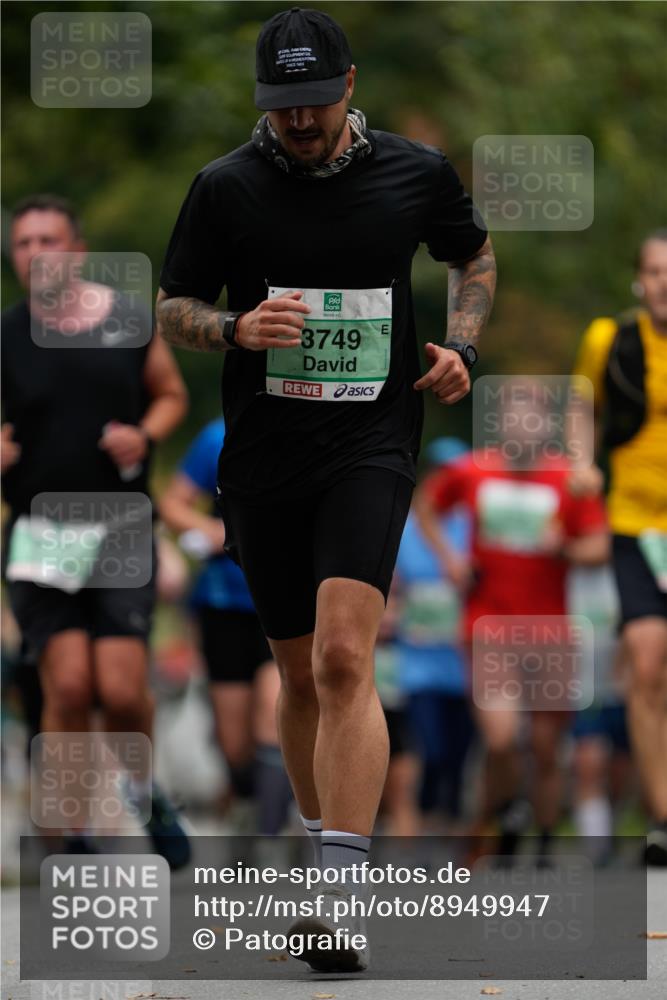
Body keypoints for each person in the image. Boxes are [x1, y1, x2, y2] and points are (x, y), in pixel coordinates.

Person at [156, 7, 495, 972]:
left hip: (372, 441)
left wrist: (463, 347)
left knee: (348, 656)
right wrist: (231, 331)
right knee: (299, 674)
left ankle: (339, 898)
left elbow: (470, 254)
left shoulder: (414, 172)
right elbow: (174, 302)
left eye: (311, 102)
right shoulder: (225, 187)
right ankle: (318, 849)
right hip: (264, 459)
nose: (297, 121)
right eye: (280, 105)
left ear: (348, 86)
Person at [1, 194, 191, 868]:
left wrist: (144, 433)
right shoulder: (7, 334)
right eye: (24, 244)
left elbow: (170, 395)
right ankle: (74, 831)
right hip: (41, 533)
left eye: (49, 240)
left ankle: (142, 790)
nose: (36, 254)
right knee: (69, 687)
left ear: (76, 250)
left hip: (117, 529)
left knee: (117, 689)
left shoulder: (128, 322)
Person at [415, 381, 609, 864]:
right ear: (500, 422)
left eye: (533, 416)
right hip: (488, 626)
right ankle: (497, 818)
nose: (523, 424)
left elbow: (599, 545)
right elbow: (426, 507)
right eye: (514, 415)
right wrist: (451, 562)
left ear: (547, 424)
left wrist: (562, 546)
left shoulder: (569, 479)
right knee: (501, 741)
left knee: (546, 749)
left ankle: (539, 838)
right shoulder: (473, 469)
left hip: (550, 630)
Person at [572, 230, 667, 865]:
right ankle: (662, 817)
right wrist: (583, 461)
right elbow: (581, 404)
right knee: (646, 660)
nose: (665, 282)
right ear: (640, 280)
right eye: (656, 272)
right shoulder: (611, 338)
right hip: (637, 523)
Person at [159, 418, 293, 835]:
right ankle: (249, 813)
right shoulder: (218, 434)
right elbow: (173, 504)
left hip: (287, 599)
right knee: (235, 743)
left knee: (271, 725)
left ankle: (273, 838)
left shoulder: (314, 426)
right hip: (223, 603)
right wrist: (215, 531)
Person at [394, 438, 476, 833]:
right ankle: (424, 821)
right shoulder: (405, 530)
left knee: (461, 754)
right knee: (430, 749)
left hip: (465, 667)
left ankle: (449, 830)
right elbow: (389, 589)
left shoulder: (475, 527)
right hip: (418, 666)